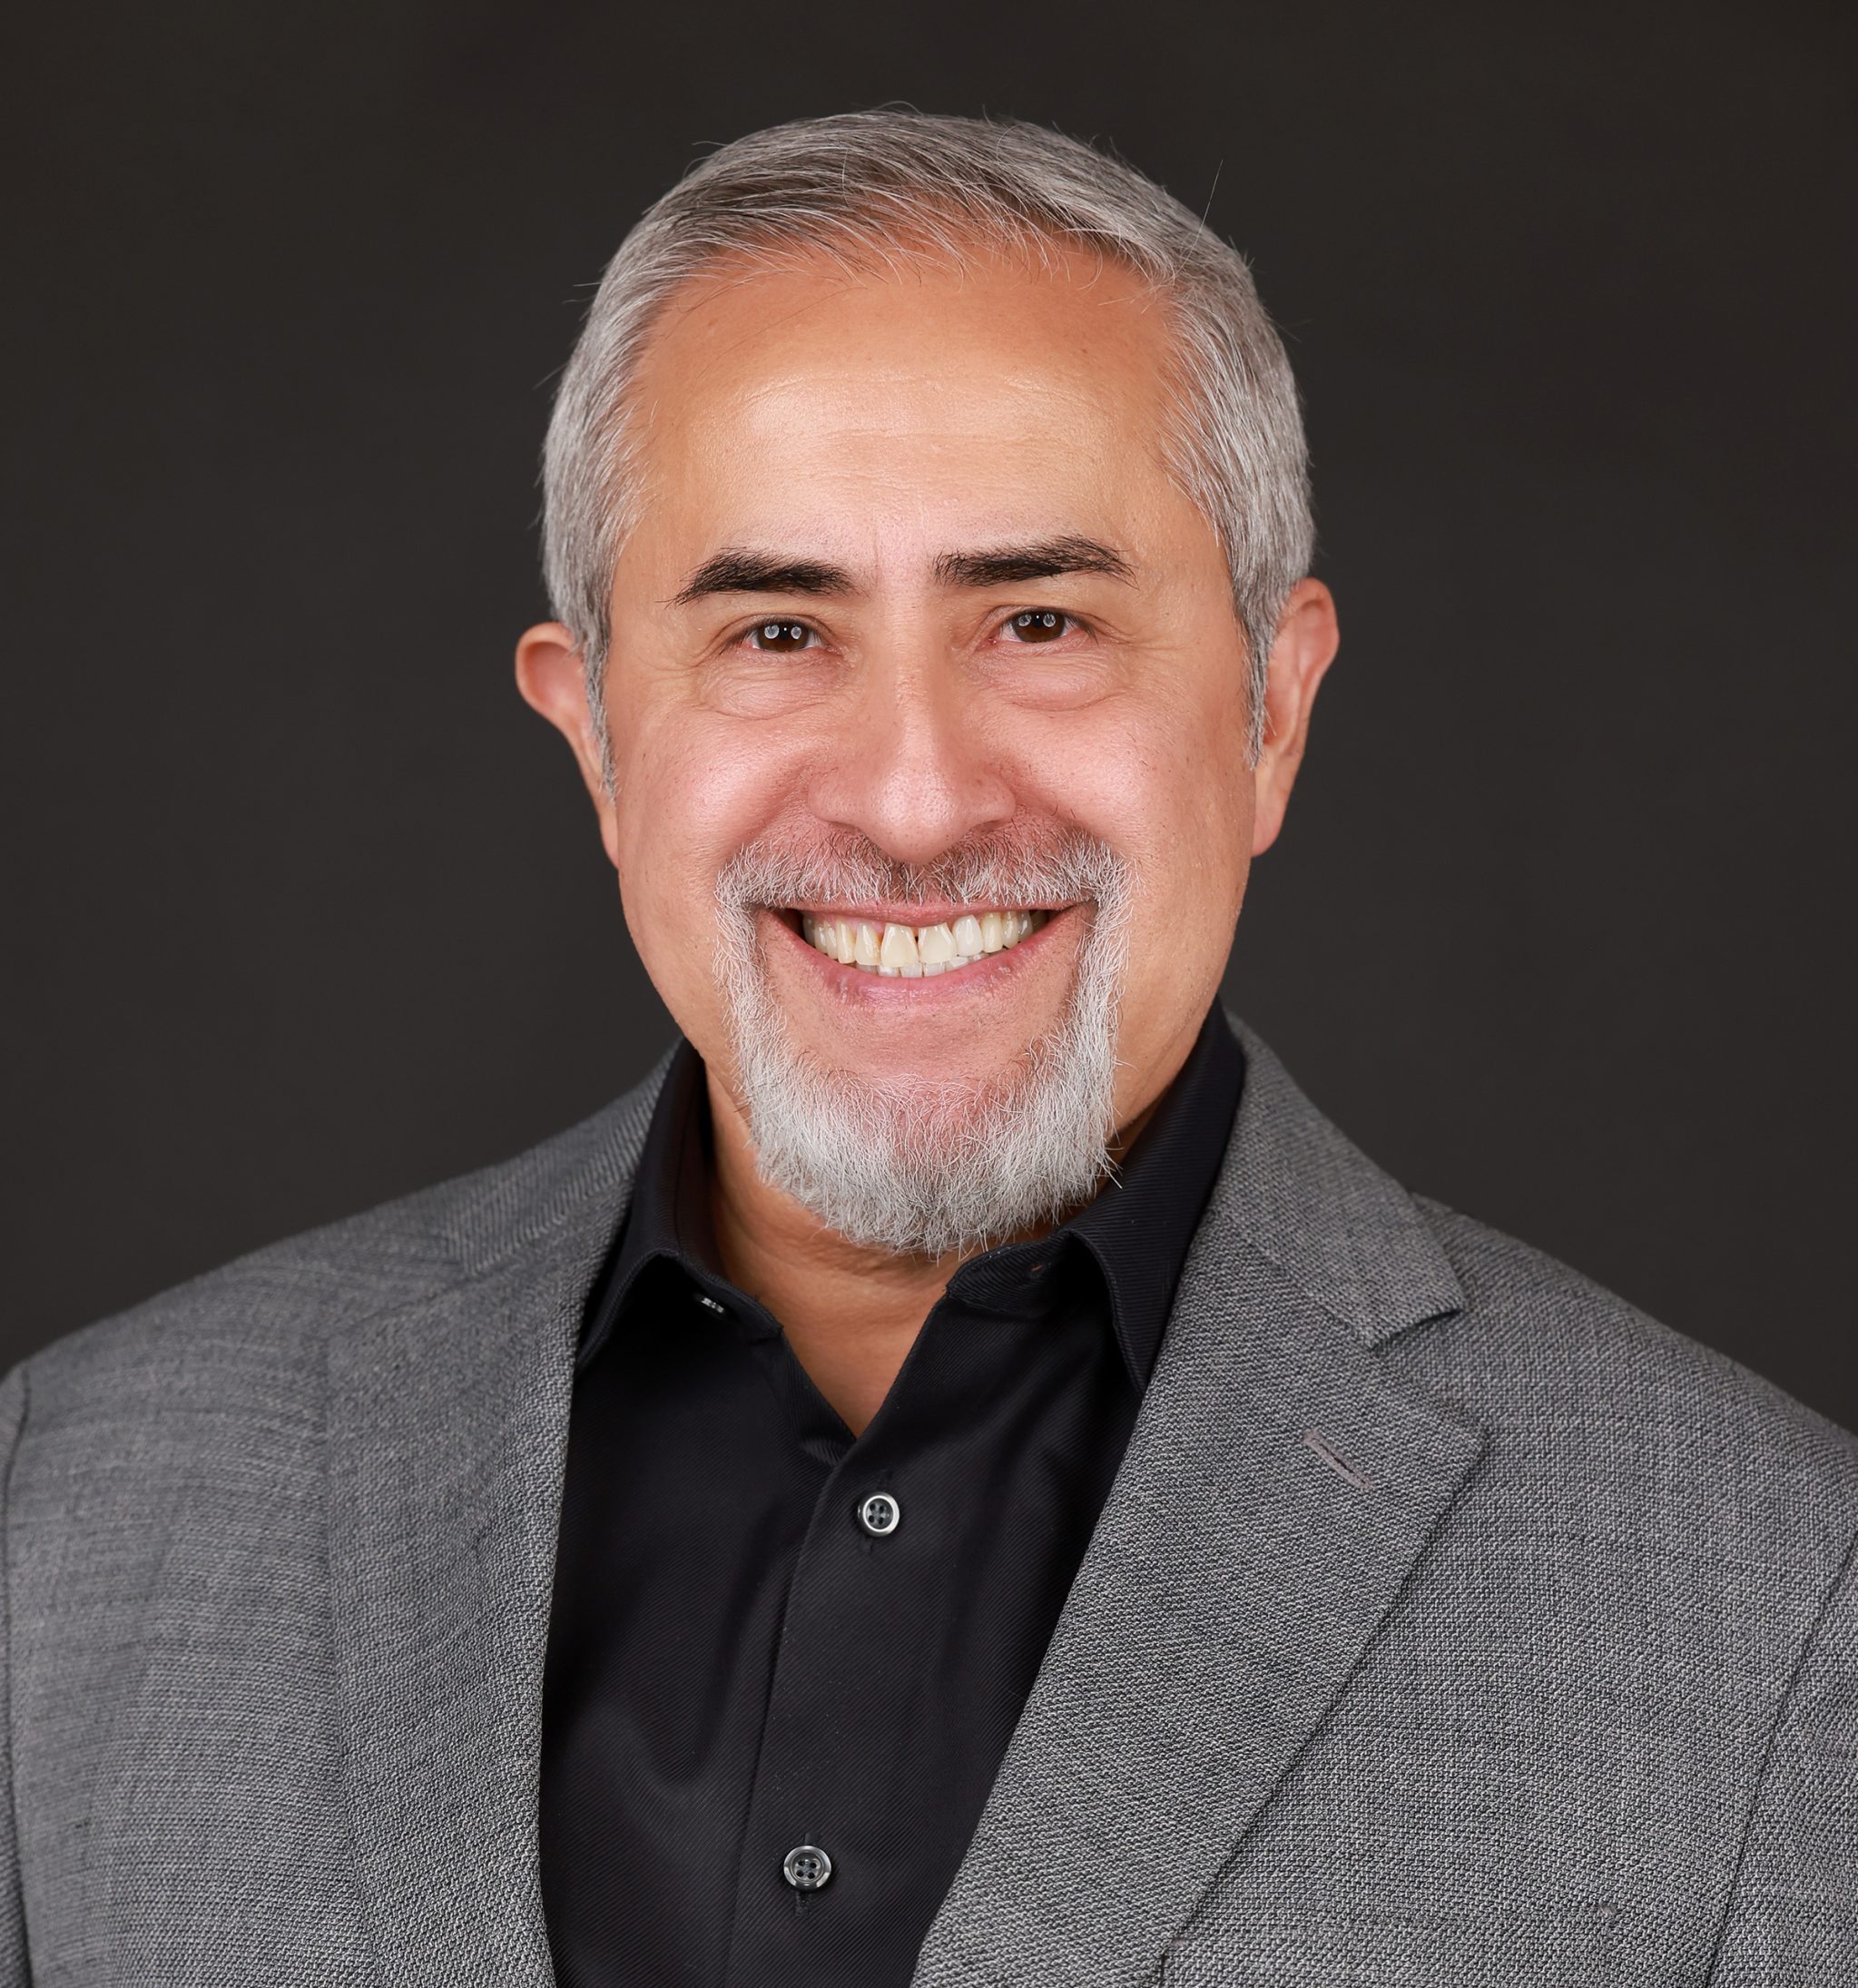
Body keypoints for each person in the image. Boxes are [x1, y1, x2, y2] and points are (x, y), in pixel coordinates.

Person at [2, 111, 1852, 1988]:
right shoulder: (64, 1515)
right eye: (777, 631)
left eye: (1038, 620)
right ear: (599, 741)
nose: (911, 800)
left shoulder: (1775, 1606)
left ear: (1271, 713)